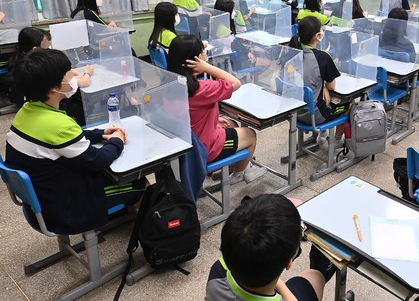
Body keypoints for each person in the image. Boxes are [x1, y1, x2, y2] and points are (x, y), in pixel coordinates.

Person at [5, 48, 145, 235]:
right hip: (66, 209)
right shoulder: (59, 125)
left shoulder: (27, 110)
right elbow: (98, 160)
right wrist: (117, 140)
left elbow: (66, 139)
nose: (73, 75)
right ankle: (157, 236)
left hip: (42, 200)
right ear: (54, 87)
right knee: (140, 183)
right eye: (68, 72)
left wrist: (101, 134)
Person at [166, 35, 267, 184]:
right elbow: (235, 83)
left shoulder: (170, 84)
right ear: (197, 59)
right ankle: (240, 174)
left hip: (185, 143)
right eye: (203, 51)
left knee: (231, 124)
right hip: (203, 148)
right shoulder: (201, 88)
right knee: (250, 135)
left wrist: (213, 119)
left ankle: (233, 164)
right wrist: (207, 67)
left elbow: (188, 114)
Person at [205, 194, 334, 301]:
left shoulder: (218, 271)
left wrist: (280, 283)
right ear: (289, 262)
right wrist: (281, 285)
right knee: (316, 276)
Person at [8, 27, 94, 121]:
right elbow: (83, 82)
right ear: (35, 49)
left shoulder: (20, 62)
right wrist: (87, 73)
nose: (50, 49)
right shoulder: (44, 68)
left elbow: (69, 71)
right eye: (47, 47)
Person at [288, 16, 347, 146]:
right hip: (314, 117)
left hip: (292, 113)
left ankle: (323, 133)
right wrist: (325, 86)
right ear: (317, 36)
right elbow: (332, 86)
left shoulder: (291, 53)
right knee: (349, 105)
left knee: (322, 99)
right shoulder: (322, 57)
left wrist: (322, 86)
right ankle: (336, 140)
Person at [380, 8, 419, 103]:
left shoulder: (381, 38)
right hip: (406, 77)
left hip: (387, 74)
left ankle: (418, 94)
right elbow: (415, 64)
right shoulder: (406, 44)